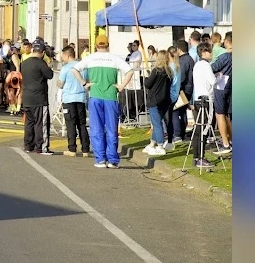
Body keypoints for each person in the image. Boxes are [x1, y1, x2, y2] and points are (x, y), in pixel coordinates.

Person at [71, 34, 132, 168]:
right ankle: (113, 160)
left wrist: (84, 83)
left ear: (96, 45)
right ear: (108, 44)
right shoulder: (115, 58)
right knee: (111, 129)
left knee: (97, 129)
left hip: (95, 96)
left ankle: (100, 159)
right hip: (111, 96)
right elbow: (130, 71)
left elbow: (74, 70)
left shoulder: (90, 58)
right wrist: (121, 86)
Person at [20, 41, 55, 154]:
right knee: (41, 123)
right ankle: (41, 146)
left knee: (29, 122)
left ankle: (28, 145)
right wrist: (49, 66)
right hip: (39, 98)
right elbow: (49, 75)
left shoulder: (24, 63)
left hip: (27, 97)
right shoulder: (41, 63)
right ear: (43, 52)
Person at [57, 45, 90, 157]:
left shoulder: (65, 68)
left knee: (70, 124)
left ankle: (72, 149)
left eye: (63, 55)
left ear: (67, 55)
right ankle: (85, 149)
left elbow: (60, 84)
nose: (62, 57)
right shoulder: (83, 67)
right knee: (82, 124)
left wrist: (58, 84)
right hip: (81, 98)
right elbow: (87, 81)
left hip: (69, 98)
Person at [142, 49, 174, 156]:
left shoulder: (156, 70)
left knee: (157, 124)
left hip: (155, 100)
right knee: (158, 122)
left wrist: (146, 77)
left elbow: (147, 84)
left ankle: (160, 145)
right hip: (165, 100)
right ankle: (152, 143)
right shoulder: (169, 71)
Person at [191, 42, 217, 169]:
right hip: (206, 100)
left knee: (198, 129)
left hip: (197, 99)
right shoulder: (206, 65)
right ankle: (200, 157)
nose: (211, 54)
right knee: (204, 129)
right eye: (210, 51)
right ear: (204, 52)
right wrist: (218, 77)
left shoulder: (197, 65)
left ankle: (196, 156)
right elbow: (213, 81)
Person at [210, 32, 233, 154]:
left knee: (220, 115)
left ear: (227, 42)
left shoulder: (225, 56)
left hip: (222, 87)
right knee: (229, 116)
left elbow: (213, 68)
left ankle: (225, 144)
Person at [170, 41, 194, 145]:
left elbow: (182, 76)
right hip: (188, 88)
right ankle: (182, 133)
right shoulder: (190, 59)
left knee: (175, 111)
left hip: (182, 89)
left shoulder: (182, 61)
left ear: (179, 49)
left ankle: (178, 134)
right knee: (183, 111)